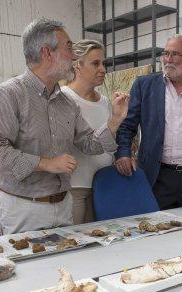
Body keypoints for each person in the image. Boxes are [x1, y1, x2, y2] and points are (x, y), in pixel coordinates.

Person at [0, 17, 129, 234]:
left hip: (63, 206)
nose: (73, 56)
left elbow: (90, 144)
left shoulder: (66, 102)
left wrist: (115, 120)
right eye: (68, 48)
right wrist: (46, 163)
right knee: (31, 269)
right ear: (46, 53)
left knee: (66, 267)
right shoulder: (8, 95)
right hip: (23, 208)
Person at [114, 35, 182, 210]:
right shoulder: (144, 85)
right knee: (155, 229)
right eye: (165, 53)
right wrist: (123, 152)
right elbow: (127, 125)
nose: (168, 60)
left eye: (175, 54)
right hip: (157, 175)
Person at [62, 39, 114, 224]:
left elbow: (112, 142)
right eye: (95, 63)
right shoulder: (63, 98)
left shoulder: (106, 102)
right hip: (75, 188)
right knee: (76, 246)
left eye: (103, 63)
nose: (103, 69)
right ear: (77, 65)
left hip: (105, 186)